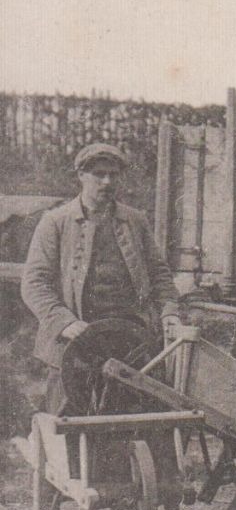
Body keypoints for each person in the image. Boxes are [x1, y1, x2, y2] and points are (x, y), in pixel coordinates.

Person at [22, 143, 182, 417]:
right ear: (81, 176)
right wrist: (64, 321)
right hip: (74, 345)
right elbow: (34, 283)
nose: (107, 181)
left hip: (130, 343)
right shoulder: (55, 222)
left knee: (137, 422)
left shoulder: (135, 221)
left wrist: (169, 312)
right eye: (99, 174)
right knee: (67, 422)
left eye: (113, 174)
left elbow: (159, 274)